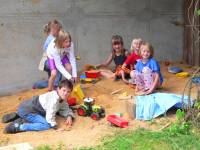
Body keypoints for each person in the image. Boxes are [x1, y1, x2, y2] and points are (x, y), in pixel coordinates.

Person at [4, 80, 75, 134]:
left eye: (68, 92)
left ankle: (18, 115)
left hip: (27, 106)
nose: (66, 93)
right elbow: (49, 118)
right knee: (46, 125)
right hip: (28, 111)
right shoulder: (54, 100)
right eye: (64, 90)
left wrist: (69, 116)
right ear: (58, 89)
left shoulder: (60, 97)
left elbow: (65, 107)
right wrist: (56, 128)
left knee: (42, 115)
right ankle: (19, 127)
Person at [34, 20, 63, 89]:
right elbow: (46, 49)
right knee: (58, 69)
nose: (60, 32)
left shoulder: (53, 38)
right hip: (47, 61)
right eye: (58, 30)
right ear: (53, 30)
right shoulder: (51, 39)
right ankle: (55, 86)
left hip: (48, 61)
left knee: (51, 79)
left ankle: (38, 85)